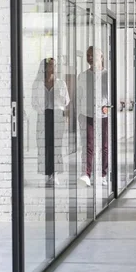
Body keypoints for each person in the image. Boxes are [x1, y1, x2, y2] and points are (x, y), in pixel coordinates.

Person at [31, 57, 70, 186]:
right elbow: (33, 102)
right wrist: (41, 110)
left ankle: (55, 174)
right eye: (51, 65)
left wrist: (60, 103)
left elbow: (67, 101)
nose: (54, 68)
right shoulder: (37, 84)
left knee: (56, 145)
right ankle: (48, 173)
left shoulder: (61, 83)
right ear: (45, 67)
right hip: (43, 115)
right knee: (44, 145)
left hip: (57, 115)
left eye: (55, 65)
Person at [77, 47, 109, 188]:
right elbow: (78, 95)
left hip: (103, 116)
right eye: (88, 55)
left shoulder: (107, 75)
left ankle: (102, 174)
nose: (90, 58)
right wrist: (79, 114)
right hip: (86, 114)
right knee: (87, 145)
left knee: (104, 146)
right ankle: (87, 174)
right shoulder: (82, 76)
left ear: (101, 57)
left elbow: (112, 96)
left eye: (93, 55)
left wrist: (107, 106)